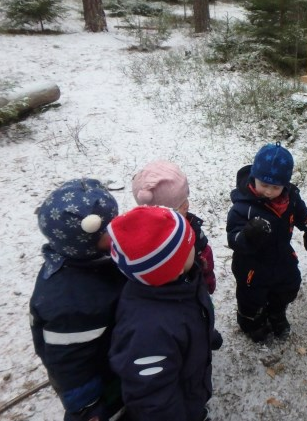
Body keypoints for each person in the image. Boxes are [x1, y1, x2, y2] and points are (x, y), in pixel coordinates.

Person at [29, 178, 125, 421]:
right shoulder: (71, 304)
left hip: (112, 352)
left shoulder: (87, 258)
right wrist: (86, 403)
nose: (117, 231)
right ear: (83, 242)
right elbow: (68, 362)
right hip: (100, 376)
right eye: (108, 229)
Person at [107, 206, 214, 421]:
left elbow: (194, 314)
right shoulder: (148, 331)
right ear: (172, 267)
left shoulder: (184, 282)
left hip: (191, 383)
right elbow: (152, 396)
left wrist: (207, 336)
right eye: (189, 245)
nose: (196, 246)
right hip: (177, 404)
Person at [226, 142, 307, 342]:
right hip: (252, 264)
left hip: (282, 256)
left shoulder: (291, 199)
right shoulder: (243, 207)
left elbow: (303, 214)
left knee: (288, 286)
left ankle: (276, 313)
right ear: (254, 178)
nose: (268, 191)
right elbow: (233, 238)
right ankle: (251, 322)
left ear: (284, 185)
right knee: (251, 296)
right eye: (264, 185)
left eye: (275, 187)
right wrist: (248, 235)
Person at [131, 160, 222, 350]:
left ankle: (207, 330)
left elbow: (203, 256)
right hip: (183, 293)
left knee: (205, 309)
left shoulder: (188, 224)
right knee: (192, 315)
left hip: (200, 284)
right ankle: (198, 338)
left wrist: (208, 279)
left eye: (186, 198)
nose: (187, 205)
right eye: (181, 205)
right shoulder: (155, 242)